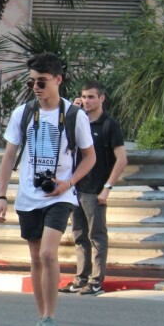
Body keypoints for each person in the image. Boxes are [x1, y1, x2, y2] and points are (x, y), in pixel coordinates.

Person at [0, 53, 95, 326]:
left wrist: (68, 183)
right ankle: (41, 319)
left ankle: (51, 320)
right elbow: (9, 156)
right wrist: (1, 195)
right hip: (28, 196)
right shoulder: (22, 113)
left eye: (41, 82)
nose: (36, 87)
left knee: (49, 254)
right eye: (32, 82)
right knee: (36, 258)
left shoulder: (75, 116)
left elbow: (90, 158)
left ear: (58, 80)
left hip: (60, 196)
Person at [60, 80, 128, 297]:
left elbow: (122, 159)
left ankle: (96, 280)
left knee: (96, 236)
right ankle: (81, 278)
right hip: (74, 188)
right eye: (84, 96)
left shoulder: (109, 124)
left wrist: (107, 187)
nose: (87, 101)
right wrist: (72, 111)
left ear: (101, 98)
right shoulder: (77, 120)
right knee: (78, 235)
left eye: (91, 97)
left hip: (95, 189)